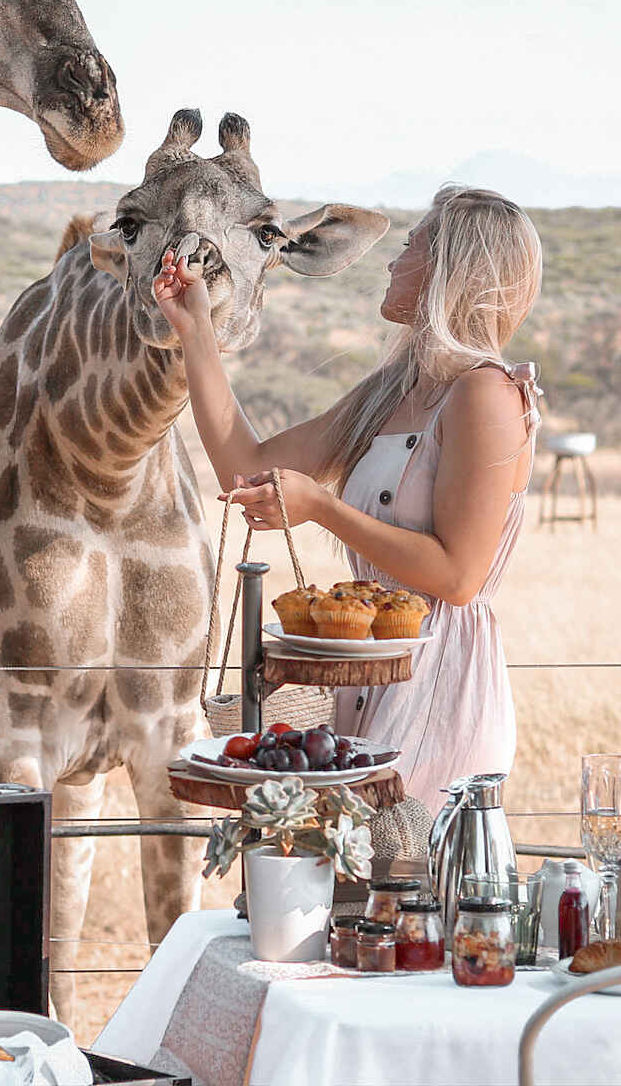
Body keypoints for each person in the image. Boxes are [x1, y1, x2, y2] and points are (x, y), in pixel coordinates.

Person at [153, 184, 544, 809]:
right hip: (368, 677)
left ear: (450, 268)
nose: (393, 261)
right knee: (351, 892)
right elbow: (246, 469)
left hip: (440, 686)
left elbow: (458, 577)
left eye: (413, 245)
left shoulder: (485, 394)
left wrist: (324, 509)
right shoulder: (392, 389)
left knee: (403, 892)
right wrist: (195, 329)